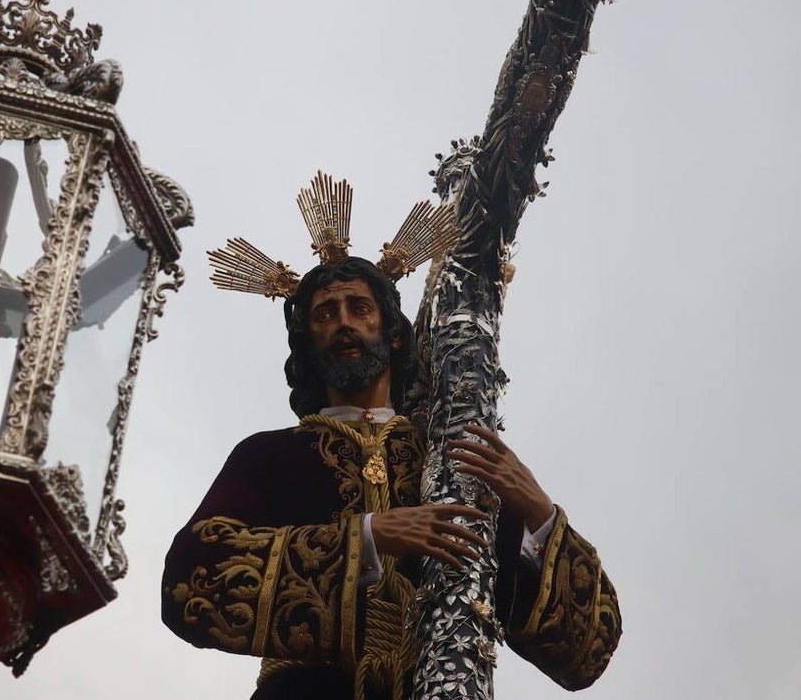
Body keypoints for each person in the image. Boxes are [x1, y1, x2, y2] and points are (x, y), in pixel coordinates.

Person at [161, 256, 621, 700]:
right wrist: (367, 537)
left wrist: (538, 511)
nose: (344, 323)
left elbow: (586, 652)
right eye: (325, 314)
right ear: (307, 342)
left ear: (393, 333)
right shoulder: (270, 455)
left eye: (360, 308)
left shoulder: (450, 468)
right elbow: (191, 578)